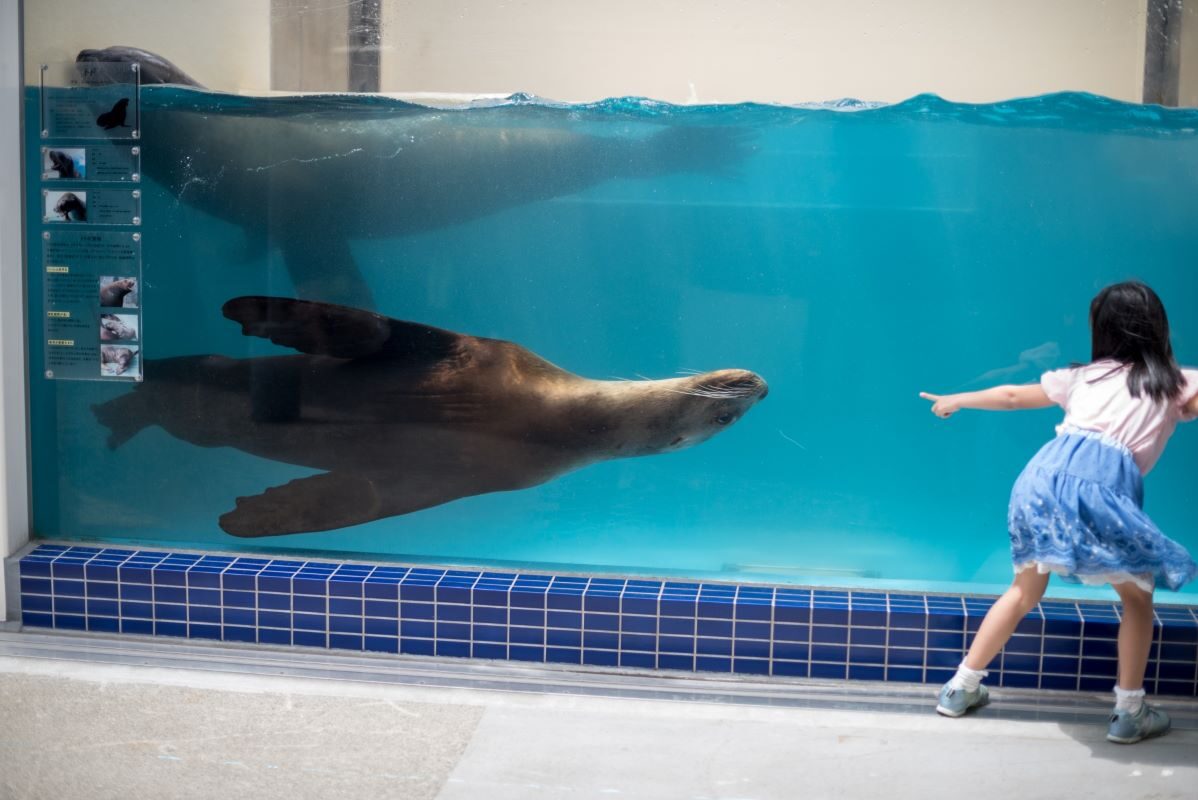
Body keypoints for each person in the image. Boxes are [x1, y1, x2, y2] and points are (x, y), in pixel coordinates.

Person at [920, 281, 1198, 744]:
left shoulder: (1083, 377)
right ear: (1158, 328)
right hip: (1101, 488)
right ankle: (1129, 712)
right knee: (1136, 597)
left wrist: (957, 399)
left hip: (1040, 478)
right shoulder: (1174, 381)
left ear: (1101, 330)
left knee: (1024, 590)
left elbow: (1011, 395)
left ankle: (960, 687)